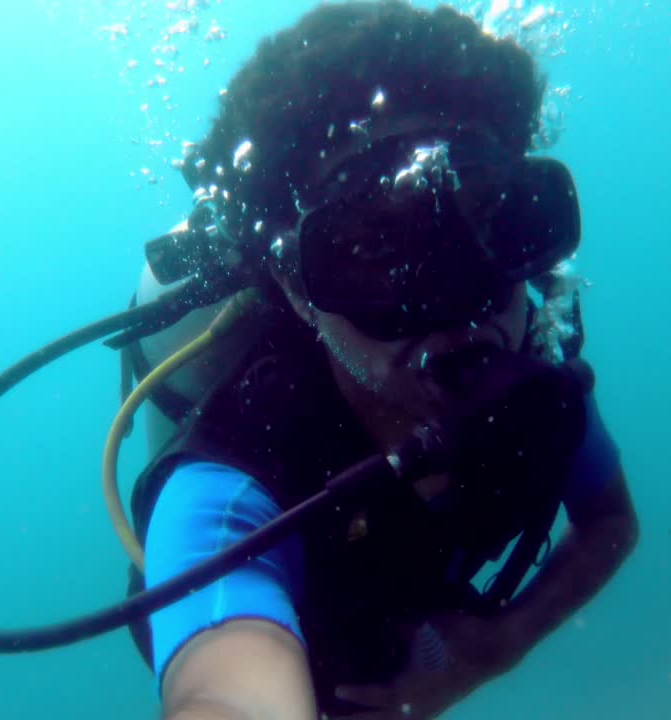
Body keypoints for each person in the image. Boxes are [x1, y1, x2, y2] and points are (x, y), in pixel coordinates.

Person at [118, 3, 640, 719]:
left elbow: (610, 521)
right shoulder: (236, 481)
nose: (455, 303)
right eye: (372, 253)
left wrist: (497, 647)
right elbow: (221, 693)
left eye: (487, 223)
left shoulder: (535, 376)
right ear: (300, 293)